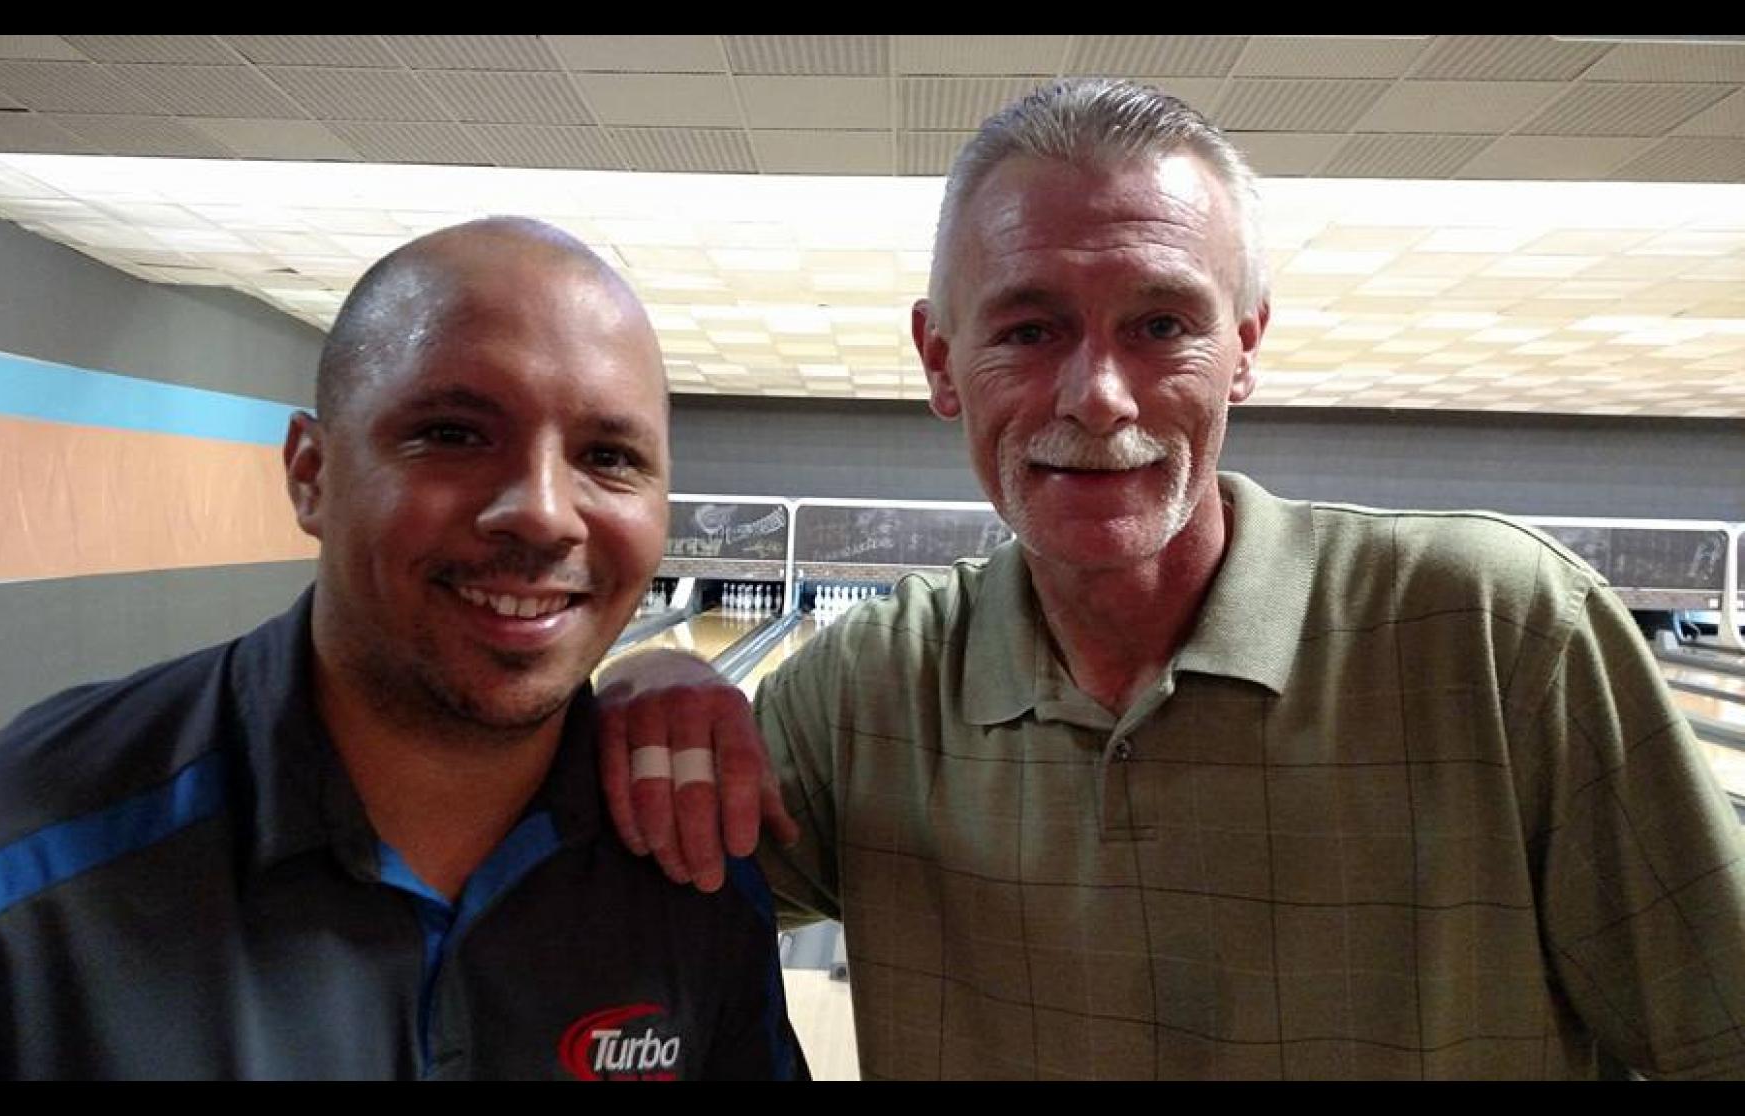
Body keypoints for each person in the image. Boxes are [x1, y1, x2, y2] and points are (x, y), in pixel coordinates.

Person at [597, 80, 1745, 1079]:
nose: (1099, 396)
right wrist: (632, 688)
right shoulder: (863, 690)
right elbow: (592, 913)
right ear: (941, 361)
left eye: (1161, 325)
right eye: (1031, 329)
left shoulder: (1503, 635)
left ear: (1244, 346)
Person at [0, 218, 805, 1081]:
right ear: (310, 475)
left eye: (608, 457)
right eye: (452, 434)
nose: (543, 510)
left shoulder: (694, 873)